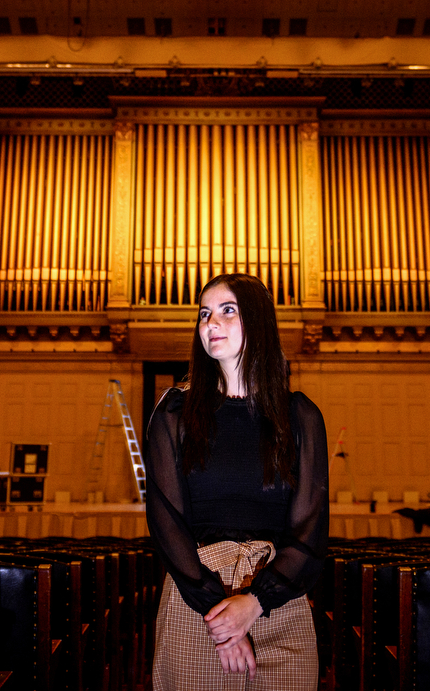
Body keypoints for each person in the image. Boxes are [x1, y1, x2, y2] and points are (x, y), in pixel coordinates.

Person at [145, 273, 329, 690]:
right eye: (205, 314)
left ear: (259, 321)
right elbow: (165, 522)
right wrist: (221, 616)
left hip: (278, 596)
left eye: (228, 310)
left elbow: (310, 530)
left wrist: (255, 603)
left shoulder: (299, 416)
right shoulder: (174, 414)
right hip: (197, 599)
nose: (211, 323)